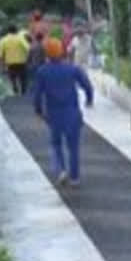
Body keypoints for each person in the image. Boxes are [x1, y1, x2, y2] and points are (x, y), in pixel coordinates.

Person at [33, 38, 94, 186]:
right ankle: (74, 177)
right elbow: (87, 85)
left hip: (53, 114)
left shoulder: (42, 71)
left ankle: (61, 170)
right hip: (72, 112)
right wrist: (89, 99)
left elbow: (37, 94)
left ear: (47, 54)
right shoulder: (72, 69)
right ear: (62, 52)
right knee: (73, 147)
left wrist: (39, 111)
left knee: (56, 144)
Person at [0, 24, 30, 95]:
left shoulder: (3, 40)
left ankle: (15, 87)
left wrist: (2, 64)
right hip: (21, 62)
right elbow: (27, 48)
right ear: (16, 30)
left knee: (12, 76)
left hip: (10, 62)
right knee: (23, 77)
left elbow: (0, 53)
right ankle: (23, 90)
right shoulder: (20, 38)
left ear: (8, 31)